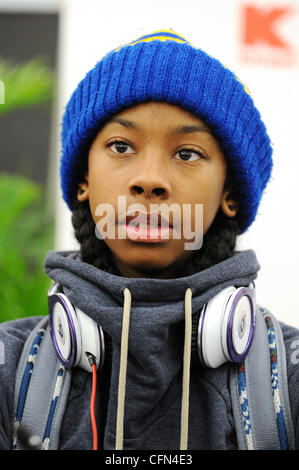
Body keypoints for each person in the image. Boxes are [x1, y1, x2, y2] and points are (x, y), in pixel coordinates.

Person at [0, 29, 298, 451]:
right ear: (84, 180)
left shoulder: (288, 374)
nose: (149, 180)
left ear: (229, 194)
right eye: (121, 146)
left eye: (188, 153)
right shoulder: (8, 369)